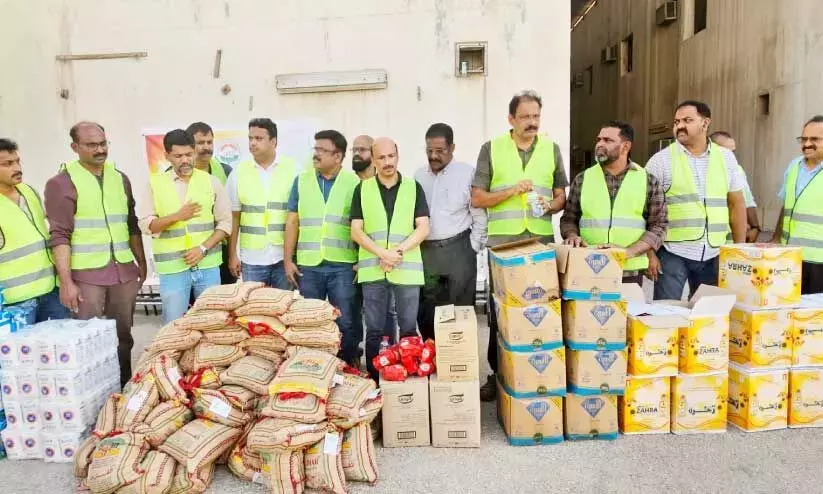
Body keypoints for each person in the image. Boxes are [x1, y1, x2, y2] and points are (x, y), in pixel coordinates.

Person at [471, 90, 568, 401]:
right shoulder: (492, 149)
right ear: (511, 119)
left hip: (539, 240)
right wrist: (513, 190)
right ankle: (497, 375)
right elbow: (478, 198)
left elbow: (561, 197)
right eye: (525, 117)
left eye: (536, 117)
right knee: (500, 310)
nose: (532, 123)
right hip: (503, 244)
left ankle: (540, 374)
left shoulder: (552, 149)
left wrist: (550, 205)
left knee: (543, 306)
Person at [45, 122, 147, 387]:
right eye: (91, 145)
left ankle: (123, 388)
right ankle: (92, 395)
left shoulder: (120, 178)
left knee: (123, 336)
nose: (100, 149)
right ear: (74, 147)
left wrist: (142, 262)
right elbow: (59, 236)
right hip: (86, 276)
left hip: (123, 271)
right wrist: (66, 282)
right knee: (87, 340)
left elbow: (131, 223)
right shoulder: (61, 183)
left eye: (103, 143)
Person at [645, 101, 747, 301]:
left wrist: (739, 249)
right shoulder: (661, 161)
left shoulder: (726, 158)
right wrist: (650, 254)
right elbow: (644, 211)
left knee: (709, 315)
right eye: (676, 121)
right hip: (672, 252)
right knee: (667, 312)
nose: (680, 126)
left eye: (687, 120)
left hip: (715, 252)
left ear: (705, 123)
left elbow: (737, 204)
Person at [350, 137, 430, 381]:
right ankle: (375, 381)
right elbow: (355, 230)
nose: (387, 162)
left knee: (408, 330)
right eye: (381, 158)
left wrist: (396, 253)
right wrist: (382, 254)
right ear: (373, 160)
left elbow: (423, 228)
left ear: (397, 156)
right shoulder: (362, 189)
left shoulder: (412, 187)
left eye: (391, 156)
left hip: (406, 270)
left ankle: (409, 385)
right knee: (374, 331)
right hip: (374, 270)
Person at [284, 130, 361, 365]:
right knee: (309, 323)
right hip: (309, 266)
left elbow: (362, 224)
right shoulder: (302, 180)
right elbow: (292, 221)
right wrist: (288, 260)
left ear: (337, 156)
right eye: (314, 149)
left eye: (321, 150)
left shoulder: (354, 183)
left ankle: (347, 366)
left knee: (346, 321)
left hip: (343, 266)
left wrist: (361, 260)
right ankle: (314, 368)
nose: (315, 155)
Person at [138, 130, 231, 323]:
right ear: (167, 156)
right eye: (178, 156)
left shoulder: (211, 183)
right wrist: (177, 216)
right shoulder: (155, 184)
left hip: (207, 266)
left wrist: (203, 248)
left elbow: (225, 223)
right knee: (174, 324)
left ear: (195, 153)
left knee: (211, 323)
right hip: (173, 270)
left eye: (189, 154)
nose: (185, 160)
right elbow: (146, 226)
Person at [560, 121, 667, 286]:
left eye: (607, 140)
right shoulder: (582, 179)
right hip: (588, 266)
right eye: (599, 139)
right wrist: (572, 236)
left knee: (629, 312)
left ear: (625, 146)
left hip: (629, 269)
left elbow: (659, 225)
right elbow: (568, 218)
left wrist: (629, 252)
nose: (600, 144)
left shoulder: (648, 180)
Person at [414, 123, 486, 340]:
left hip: (459, 250)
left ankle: (458, 361)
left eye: (440, 151)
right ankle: (431, 358)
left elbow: (479, 215)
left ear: (452, 148)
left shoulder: (467, 173)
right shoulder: (418, 176)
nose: (434, 156)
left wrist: (472, 247)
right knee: (427, 309)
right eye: (429, 151)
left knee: (460, 309)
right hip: (427, 251)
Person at [0, 138, 69, 324]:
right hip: (14, 301)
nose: (17, 168)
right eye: (8, 164)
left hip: (50, 291)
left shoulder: (28, 191)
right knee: (20, 353)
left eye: (17, 161)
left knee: (57, 349)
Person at [226, 118, 297, 289]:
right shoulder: (238, 173)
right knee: (255, 312)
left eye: (258, 139)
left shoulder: (294, 169)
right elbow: (234, 218)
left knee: (283, 309)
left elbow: (297, 218)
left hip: (284, 257)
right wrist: (232, 255)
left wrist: (293, 258)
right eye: (250, 138)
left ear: (274, 141)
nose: (252, 143)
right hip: (252, 259)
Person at [771, 115, 823, 294]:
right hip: (790, 256)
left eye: (814, 139)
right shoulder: (794, 166)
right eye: (804, 139)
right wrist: (776, 239)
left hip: (819, 262)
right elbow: (786, 206)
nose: (807, 144)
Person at [187, 122, 237, 286]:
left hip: (219, 250)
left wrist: (232, 255)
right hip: (189, 251)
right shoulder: (175, 174)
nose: (206, 147)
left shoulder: (226, 171)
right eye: (200, 143)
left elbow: (232, 216)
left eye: (209, 142)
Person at [710, 131, 761, 242]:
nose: (731, 156)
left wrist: (755, 227)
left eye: (733, 152)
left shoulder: (737, 169)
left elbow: (747, 200)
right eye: (727, 152)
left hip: (731, 238)